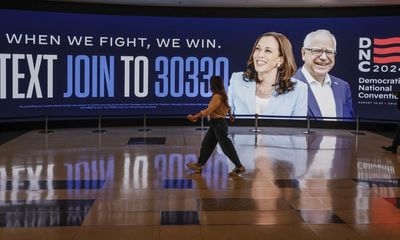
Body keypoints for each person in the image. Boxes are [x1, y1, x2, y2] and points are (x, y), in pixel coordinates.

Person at [228, 32, 307, 117]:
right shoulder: (236, 80)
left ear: (280, 60)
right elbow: (224, 118)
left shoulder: (299, 89)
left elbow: (298, 129)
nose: (260, 55)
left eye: (268, 51)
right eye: (257, 49)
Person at [186, 76, 246, 176]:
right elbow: (228, 106)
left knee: (226, 147)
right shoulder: (222, 95)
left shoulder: (217, 96)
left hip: (218, 124)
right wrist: (230, 115)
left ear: (213, 84)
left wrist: (194, 116)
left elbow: (209, 110)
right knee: (206, 145)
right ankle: (199, 165)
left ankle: (239, 167)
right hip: (215, 124)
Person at [293, 29, 354, 120]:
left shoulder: (343, 87)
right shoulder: (288, 86)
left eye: (329, 52)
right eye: (317, 51)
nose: (323, 57)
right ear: (303, 53)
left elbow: (349, 127)